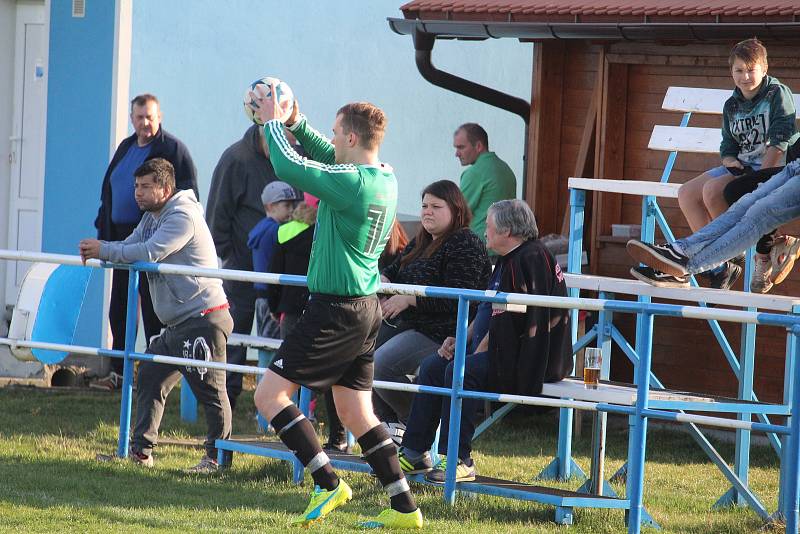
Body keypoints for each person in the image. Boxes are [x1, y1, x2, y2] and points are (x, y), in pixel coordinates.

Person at [250, 88, 423, 529]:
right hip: (364, 307)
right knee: (356, 412)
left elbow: (290, 167)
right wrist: (296, 124)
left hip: (335, 310)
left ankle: (328, 483)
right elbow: (328, 155)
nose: (331, 138)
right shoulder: (383, 176)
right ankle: (405, 509)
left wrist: (271, 121)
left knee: (269, 396)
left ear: (350, 137)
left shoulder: (350, 184)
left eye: (334, 132)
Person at [396, 199, 572, 483]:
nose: (485, 231)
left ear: (508, 230)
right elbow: (486, 310)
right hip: (499, 352)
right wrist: (459, 340)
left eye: (489, 226)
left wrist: (473, 354)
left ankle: (459, 459)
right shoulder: (507, 259)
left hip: (527, 361)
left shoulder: (532, 257)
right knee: (432, 366)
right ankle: (415, 452)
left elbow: (516, 322)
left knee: (459, 372)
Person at [80, 158, 232, 473]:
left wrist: (103, 251)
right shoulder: (152, 216)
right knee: (149, 376)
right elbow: (130, 245)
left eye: (145, 186)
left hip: (204, 318)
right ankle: (140, 453)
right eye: (136, 186)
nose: (137, 192)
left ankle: (217, 460)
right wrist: (104, 249)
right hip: (179, 323)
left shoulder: (182, 216)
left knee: (211, 391)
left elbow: (150, 252)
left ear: (164, 188)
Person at [91, 94, 198, 391]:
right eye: (139, 117)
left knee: (153, 309)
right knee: (121, 307)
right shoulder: (126, 147)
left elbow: (188, 193)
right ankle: (119, 372)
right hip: (121, 238)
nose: (145, 122)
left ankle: (157, 373)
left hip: (156, 242)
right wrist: (104, 230)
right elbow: (109, 190)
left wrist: (164, 229)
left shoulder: (172, 149)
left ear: (159, 116)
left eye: (150, 117)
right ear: (131, 119)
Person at [675, 38, 798, 290]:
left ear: (764, 68)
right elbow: (728, 145)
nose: (745, 77)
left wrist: (761, 178)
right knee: (686, 192)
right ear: (731, 72)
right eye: (739, 70)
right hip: (743, 164)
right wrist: (730, 161)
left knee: (712, 190)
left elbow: (781, 139)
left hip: (774, 165)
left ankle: (729, 248)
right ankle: (722, 266)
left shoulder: (776, 94)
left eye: (751, 70)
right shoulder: (731, 104)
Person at [374, 180, 491, 432]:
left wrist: (409, 299)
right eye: (424, 205)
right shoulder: (421, 241)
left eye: (436, 206)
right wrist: (384, 281)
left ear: (456, 210)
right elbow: (395, 270)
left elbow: (458, 297)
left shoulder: (465, 242)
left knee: (379, 365)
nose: (427, 211)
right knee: (359, 352)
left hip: (444, 332)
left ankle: (417, 423)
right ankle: (387, 425)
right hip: (410, 324)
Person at [206, 120, 301, 411]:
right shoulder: (236, 159)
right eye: (281, 143)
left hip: (282, 276)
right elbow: (216, 214)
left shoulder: (295, 159)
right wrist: (229, 258)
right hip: (242, 270)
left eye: (291, 143)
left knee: (276, 344)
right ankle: (225, 402)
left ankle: (277, 404)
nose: (287, 149)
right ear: (266, 134)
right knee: (234, 340)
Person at [628, 158, 800, 288]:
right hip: (795, 165)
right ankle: (680, 250)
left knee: (760, 212)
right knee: (743, 204)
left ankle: (685, 269)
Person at [248, 181, 302, 362]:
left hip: (261, 296)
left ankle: (263, 381)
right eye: (286, 205)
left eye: (293, 205)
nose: (291, 210)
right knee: (273, 347)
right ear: (270, 206)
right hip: (271, 297)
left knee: (265, 342)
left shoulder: (260, 228)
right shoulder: (276, 231)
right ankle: (267, 384)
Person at [453, 123, 516, 245]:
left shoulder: (474, 173)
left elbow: (457, 215)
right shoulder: (506, 169)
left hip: (480, 247)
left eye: (461, 147)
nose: (457, 153)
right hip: (506, 245)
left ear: (478, 146)